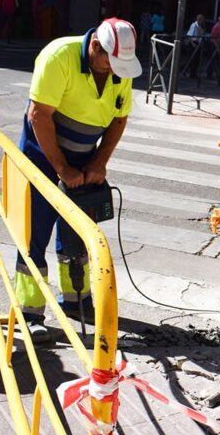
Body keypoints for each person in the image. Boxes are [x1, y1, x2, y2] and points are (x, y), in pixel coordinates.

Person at [15, 18, 141, 344]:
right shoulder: (59, 56)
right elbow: (38, 115)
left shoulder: (118, 71)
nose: (115, 72)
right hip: (43, 157)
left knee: (78, 236)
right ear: (95, 47)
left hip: (85, 159)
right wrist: (60, 167)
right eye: (110, 64)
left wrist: (99, 162)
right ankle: (30, 314)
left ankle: (77, 301)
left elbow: (119, 117)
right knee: (35, 232)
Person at [206, 15, 220, 83]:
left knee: (219, 61)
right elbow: (213, 38)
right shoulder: (217, 27)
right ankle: (211, 74)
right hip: (214, 45)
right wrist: (217, 47)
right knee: (213, 60)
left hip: (219, 45)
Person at [185, 14, 207, 78]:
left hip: (197, 43)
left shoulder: (200, 26)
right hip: (193, 43)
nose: (203, 22)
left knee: (197, 60)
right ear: (199, 20)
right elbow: (189, 35)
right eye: (202, 21)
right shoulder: (194, 25)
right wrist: (193, 44)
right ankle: (188, 72)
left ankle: (194, 73)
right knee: (192, 59)